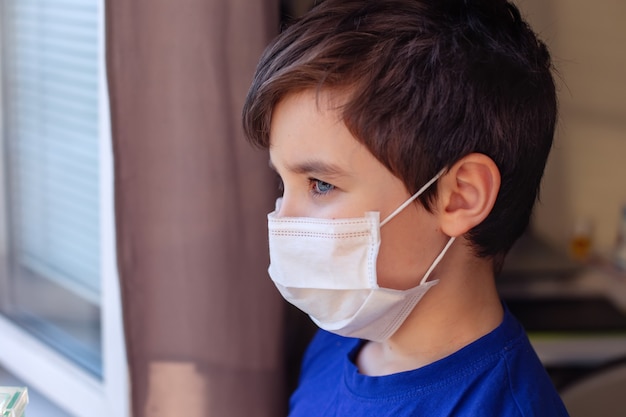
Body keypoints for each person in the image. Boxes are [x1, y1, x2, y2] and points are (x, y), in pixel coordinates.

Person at [242, 0, 569, 415]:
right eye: (281, 182)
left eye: (320, 184)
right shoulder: (335, 342)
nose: (283, 220)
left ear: (460, 196)